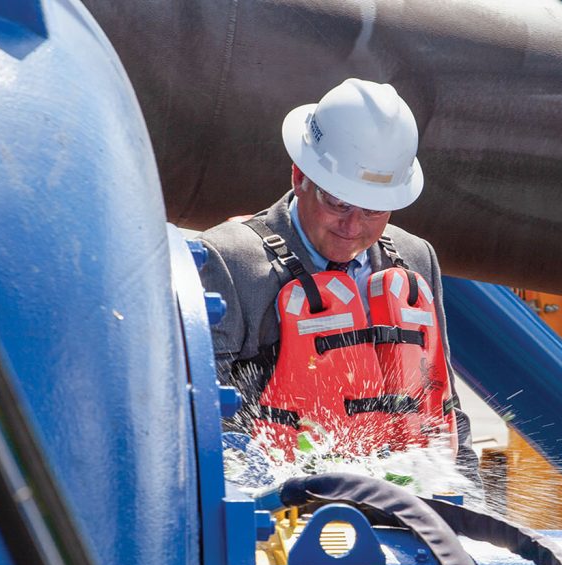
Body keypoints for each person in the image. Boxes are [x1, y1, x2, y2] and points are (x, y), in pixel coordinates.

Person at [198, 78, 481, 488]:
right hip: (282, 524)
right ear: (299, 176)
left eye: (373, 211)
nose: (352, 227)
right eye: (338, 203)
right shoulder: (226, 261)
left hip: (408, 517)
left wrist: (470, 514)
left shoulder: (418, 258)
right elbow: (206, 428)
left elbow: (444, 406)